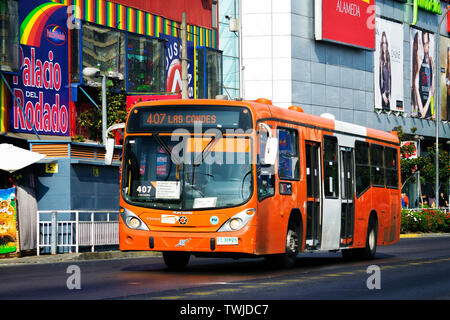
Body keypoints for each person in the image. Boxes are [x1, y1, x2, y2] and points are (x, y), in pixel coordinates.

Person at [418, 31, 434, 119]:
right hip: (421, 101)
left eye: (427, 43)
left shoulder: (431, 61)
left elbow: (433, 86)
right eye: (424, 44)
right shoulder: (419, 61)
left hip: (429, 102)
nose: (426, 46)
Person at [379, 32, 391, 111]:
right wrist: (382, 94)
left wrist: (390, 93)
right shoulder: (380, 59)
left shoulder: (388, 58)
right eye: (383, 43)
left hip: (388, 93)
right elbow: (380, 78)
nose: (384, 45)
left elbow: (390, 78)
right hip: (383, 93)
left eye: (385, 43)